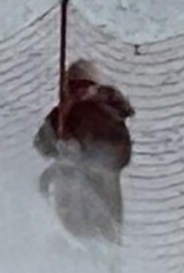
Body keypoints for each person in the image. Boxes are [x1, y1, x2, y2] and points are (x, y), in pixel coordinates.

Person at [33, 59, 134, 244]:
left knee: (96, 237)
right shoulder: (66, 112)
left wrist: (78, 155)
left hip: (95, 184)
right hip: (82, 187)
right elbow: (42, 144)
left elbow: (120, 153)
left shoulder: (105, 111)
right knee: (92, 236)